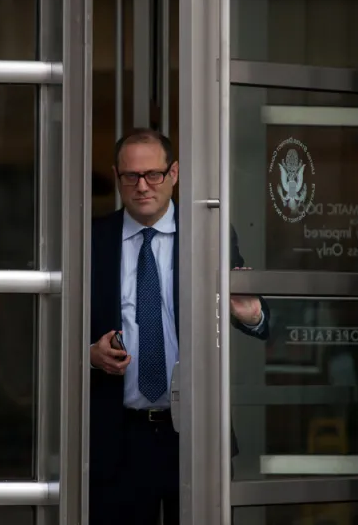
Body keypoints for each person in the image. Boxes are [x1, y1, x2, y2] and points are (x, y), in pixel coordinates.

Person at [89, 128, 271, 525]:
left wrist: (251, 315)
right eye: (131, 176)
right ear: (117, 176)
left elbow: (257, 318)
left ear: (174, 173)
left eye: (153, 174)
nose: (142, 186)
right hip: (118, 439)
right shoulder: (93, 240)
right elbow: (62, 328)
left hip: (193, 435)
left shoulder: (209, 235)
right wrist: (89, 354)